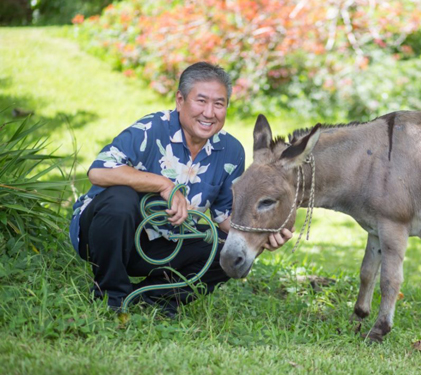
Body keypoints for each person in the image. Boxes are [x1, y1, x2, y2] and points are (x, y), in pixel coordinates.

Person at [69, 62, 293, 315]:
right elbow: (98, 171)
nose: (209, 113)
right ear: (180, 100)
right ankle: (111, 297)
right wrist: (164, 185)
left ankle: (155, 300)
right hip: (106, 236)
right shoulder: (152, 129)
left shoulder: (230, 151)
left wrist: (262, 235)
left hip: (166, 243)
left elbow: (225, 218)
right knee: (120, 199)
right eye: (201, 101)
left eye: (219, 104)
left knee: (225, 249)